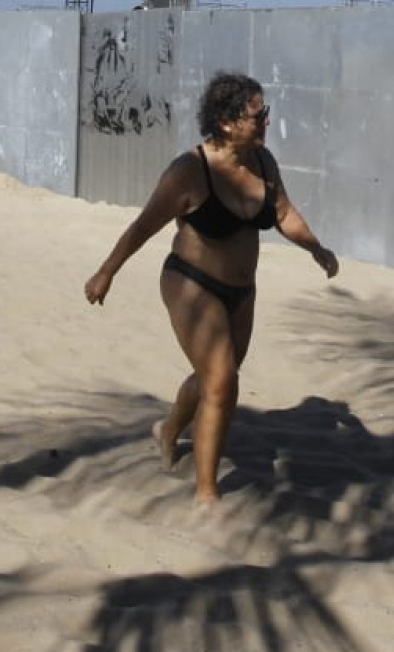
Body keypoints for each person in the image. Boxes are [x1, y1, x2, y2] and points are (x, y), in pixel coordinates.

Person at [84, 71, 338, 503]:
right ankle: (207, 494)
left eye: (266, 114)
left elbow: (284, 213)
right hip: (190, 283)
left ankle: (167, 431)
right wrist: (107, 271)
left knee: (213, 379)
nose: (266, 123)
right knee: (222, 381)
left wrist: (317, 249)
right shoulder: (189, 171)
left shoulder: (263, 163)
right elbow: (143, 226)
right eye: (258, 116)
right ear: (225, 122)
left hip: (241, 293)